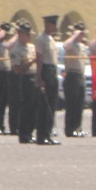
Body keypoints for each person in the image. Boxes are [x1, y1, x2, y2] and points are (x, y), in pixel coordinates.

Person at [34, 15, 60, 146]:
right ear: (46, 25)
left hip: (53, 71)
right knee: (44, 105)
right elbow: (39, 59)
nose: (54, 27)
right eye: (52, 24)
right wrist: (39, 77)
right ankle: (41, 135)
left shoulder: (51, 39)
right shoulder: (41, 39)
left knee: (52, 104)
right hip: (45, 70)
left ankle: (48, 133)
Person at [10, 23, 38, 143]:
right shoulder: (16, 50)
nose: (28, 36)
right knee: (25, 108)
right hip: (23, 79)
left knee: (33, 108)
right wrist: (32, 61)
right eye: (26, 34)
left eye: (29, 34)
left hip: (34, 78)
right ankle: (24, 134)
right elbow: (18, 69)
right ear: (20, 35)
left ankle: (31, 132)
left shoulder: (32, 47)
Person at [63, 24, 88, 137]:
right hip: (72, 74)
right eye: (79, 33)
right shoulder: (70, 44)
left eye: (82, 33)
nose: (81, 35)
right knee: (71, 104)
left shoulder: (82, 46)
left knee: (79, 104)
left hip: (80, 75)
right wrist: (74, 36)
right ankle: (70, 129)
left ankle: (77, 128)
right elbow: (65, 45)